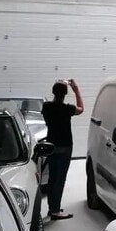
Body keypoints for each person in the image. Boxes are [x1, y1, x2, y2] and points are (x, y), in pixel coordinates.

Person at [42, 79, 83, 220]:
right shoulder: (67, 108)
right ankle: (55, 211)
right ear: (65, 94)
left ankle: (52, 208)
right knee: (60, 179)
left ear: (53, 92)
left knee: (53, 178)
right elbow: (81, 109)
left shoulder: (47, 106)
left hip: (51, 146)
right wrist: (76, 90)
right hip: (65, 146)